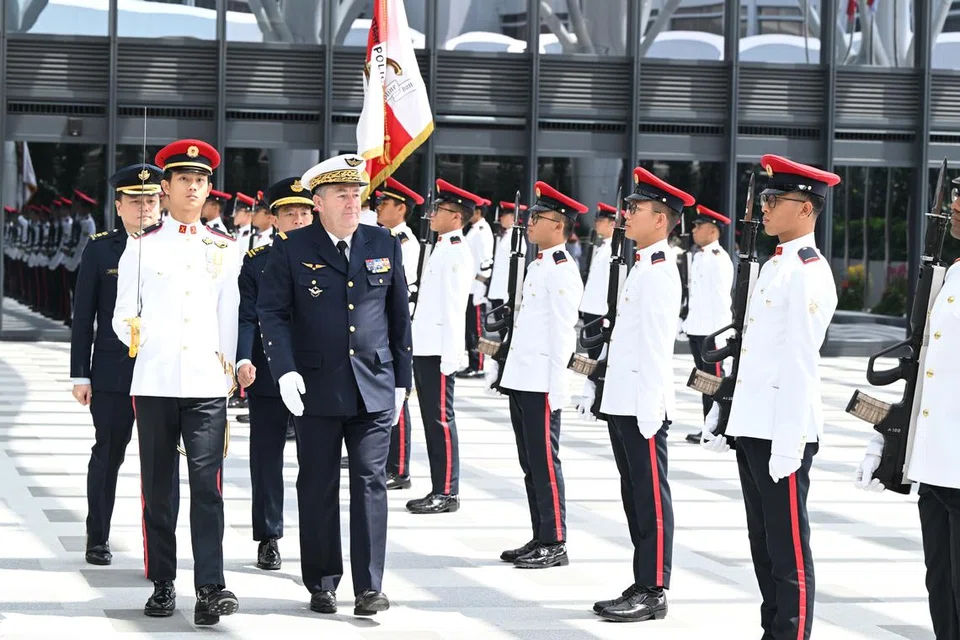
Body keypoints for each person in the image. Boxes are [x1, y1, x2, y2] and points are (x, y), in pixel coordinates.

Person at [257, 153, 412, 617]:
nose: (351, 202)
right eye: (341, 195)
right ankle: (322, 580)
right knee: (318, 484)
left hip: (374, 385)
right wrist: (283, 370)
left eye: (356, 194)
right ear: (318, 202)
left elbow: (398, 315)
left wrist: (402, 381)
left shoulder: (382, 241)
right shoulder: (292, 246)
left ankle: (369, 586)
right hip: (316, 387)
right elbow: (274, 314)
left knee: (369, 483)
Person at [702, 155, 839, 640]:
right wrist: (728, 414)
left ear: (806, 208)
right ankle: (772, 629)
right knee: (762, 542)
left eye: (772, 199)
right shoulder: (774, 265)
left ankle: (792, 633)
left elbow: (800, 362)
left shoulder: (808, 270)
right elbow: (755, 355)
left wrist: (788, 443)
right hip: (755, 424)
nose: (763, 208)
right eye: (764, 198)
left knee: (788, 547)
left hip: (784, 429)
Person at [112, 138, 240, 625]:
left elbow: (230, 315)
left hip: (207, 385)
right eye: (184, 179)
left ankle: (211, 585)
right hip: (157, 380)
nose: (193, 187)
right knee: (159, 488)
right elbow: (123, 315)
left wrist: (230, 367)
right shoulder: (140, 247)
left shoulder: (225, 248)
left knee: (208, 488)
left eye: (201, 180)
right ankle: (163, 582)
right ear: (164, 189)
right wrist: (142, 336)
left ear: (209, 189)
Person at [581, 167, 693, 622]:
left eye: (636, 209)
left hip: (643, 403)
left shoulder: (661, 271)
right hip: (624, 401)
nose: (626, 215)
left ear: (661, 220)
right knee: (634, 496)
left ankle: (654, 589)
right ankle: (641, 578)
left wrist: (649, 408)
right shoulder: (641, 264)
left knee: (650, 499)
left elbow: (655, 346)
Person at [854, 178, 960, 640]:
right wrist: (888, 434)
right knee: (941, 582)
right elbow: (925, 372)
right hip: (935, 462)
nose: (954, 207)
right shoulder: (951, 272)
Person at [70, 163, 166, 567]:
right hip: (113, 371)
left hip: (162, 370)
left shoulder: (172, 244)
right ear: (119, 205)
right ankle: (97, 537)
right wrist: (80, 373)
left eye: (151, 200)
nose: (145, 209)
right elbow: (83, 314)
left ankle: (160, 548)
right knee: (108, 454)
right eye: (136, 201)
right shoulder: (101, 248)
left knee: (159, 461)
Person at [487, 181, 585, 569]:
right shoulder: (538, 263)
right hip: (523, 378)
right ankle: (540, 534)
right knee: (530, 462)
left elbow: (564, 333)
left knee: (545, 462)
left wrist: (560, 387)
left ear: (558, 226)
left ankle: (555, 540)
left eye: (537, 218)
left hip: (542, 382)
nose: (528, 223)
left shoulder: (562, 270)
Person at [236, 176, 315, 572]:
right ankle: (269, 536)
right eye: (289, 212)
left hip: (316, 375)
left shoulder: (332, 255)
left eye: (304, 211)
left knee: (315, 461)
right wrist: (243, 360)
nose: (298, 218)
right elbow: (248, 316)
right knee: (265, 457)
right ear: (275, 218)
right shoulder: (257, 262)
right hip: (268, 373)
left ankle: (315, 539)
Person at [405, 179, 477, 514]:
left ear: (457, 218)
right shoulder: (442, 246)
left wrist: (453, 354)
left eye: (440, 210)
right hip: (425, 345)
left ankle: (447, 491)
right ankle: (439, 486)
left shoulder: (457, 251)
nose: (432, 215)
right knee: (431, 418)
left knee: (440, 419)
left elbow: (454, 306)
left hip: (439, 349)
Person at [375, 176, 423, 491]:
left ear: (400, 208)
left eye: (384, 202)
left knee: (397, 395)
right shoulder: (385, 238)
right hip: (379, 325)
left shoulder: (404, 242)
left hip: (396, 326)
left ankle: (399, 467)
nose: (378, 207)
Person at [681, 204, 734, 444]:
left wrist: (719, 335)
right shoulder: (700, 256)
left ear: (713, 231)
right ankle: (708, 426)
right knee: (704, 381)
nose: (694, 230)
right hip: (697, 329)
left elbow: (721, 299)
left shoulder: (718, 259)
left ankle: (716, 427)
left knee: (713, 382)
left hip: (710, 333)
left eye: (699, 226)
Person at [458, 198, 494, 378]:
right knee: (470, 329)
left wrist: (480, 288)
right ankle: (473, 362)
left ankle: (478, 364)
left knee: (477, 330)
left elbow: (486, 262)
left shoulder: (482, 231)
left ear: (478, 212)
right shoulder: (474, 230)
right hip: (470, 287)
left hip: (476, 289)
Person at [578, 202, 618, 360]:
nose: (596, 223)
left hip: (600, 309)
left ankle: (597, 383)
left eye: (601, 221)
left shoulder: (614, 248)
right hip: (592, 307)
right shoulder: (603, 247)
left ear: (612, 224)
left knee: (599, 355)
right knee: (592, 353)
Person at [486, 200, 527, 339]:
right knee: (501, 330)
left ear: (512, 217)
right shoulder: (505, 236)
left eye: (504, 215)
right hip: (498, 289)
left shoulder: (517, 237)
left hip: (505, 291)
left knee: (506, 332)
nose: (501, 218)